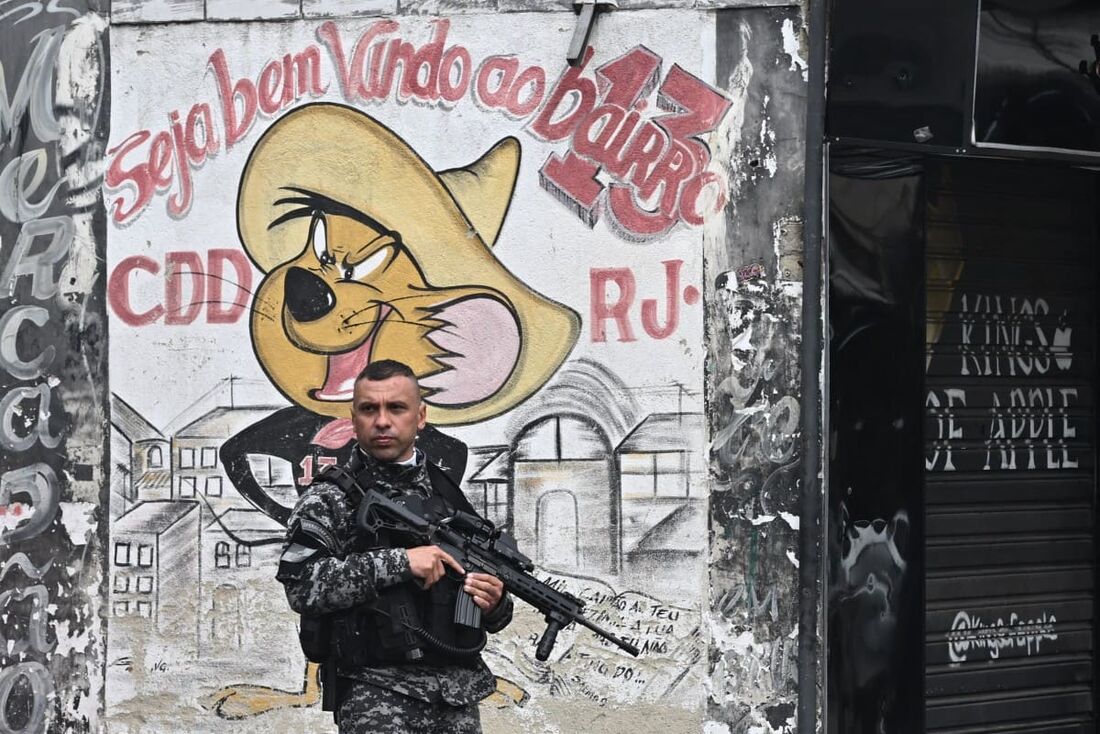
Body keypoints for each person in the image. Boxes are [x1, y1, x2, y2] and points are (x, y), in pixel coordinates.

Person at [276, 359, 513, 733]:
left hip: (457, 699)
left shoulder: (449, 498)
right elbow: (302, 585)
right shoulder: (330, 498)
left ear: (420, 416)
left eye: (396, 408)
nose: (382, 421)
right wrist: (400, 562)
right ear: (353, 418)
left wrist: (495, 603)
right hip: (378, 696)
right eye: (369, 409)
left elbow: (486, 608)